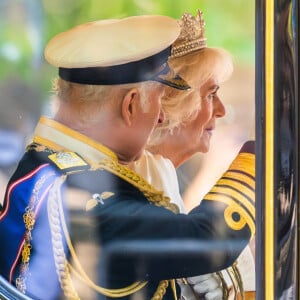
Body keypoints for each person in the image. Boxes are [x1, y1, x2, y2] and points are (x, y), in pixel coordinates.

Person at [0, 14, 254, 300]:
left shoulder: (42, 163)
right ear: (131, 105)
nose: (160, 117)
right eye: (159, 99)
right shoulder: (86, 197)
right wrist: (260, 160)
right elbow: (208, 239)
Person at [131, 10, 255, 300]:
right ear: (169, 106)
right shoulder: (135, 193)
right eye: (211, 94)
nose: (222, 110)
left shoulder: (164, 180)